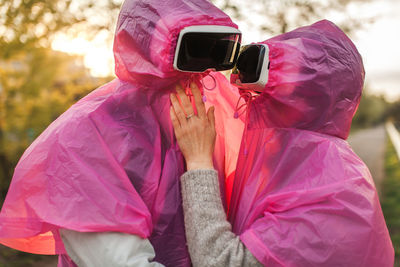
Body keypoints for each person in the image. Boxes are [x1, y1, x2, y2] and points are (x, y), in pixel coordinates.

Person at [0, 0, 244, 266]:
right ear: (147, 46)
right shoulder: (83, 139)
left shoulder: (198, 129)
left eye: (214, 53)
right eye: (195, 50)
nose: (200, 77)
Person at [170, 20, 394, 266]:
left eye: (264, 97)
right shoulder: (322, 163)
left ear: (302, 102)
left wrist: (199, 159)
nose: (251, 105)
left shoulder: (332, 194)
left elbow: (221, 261)